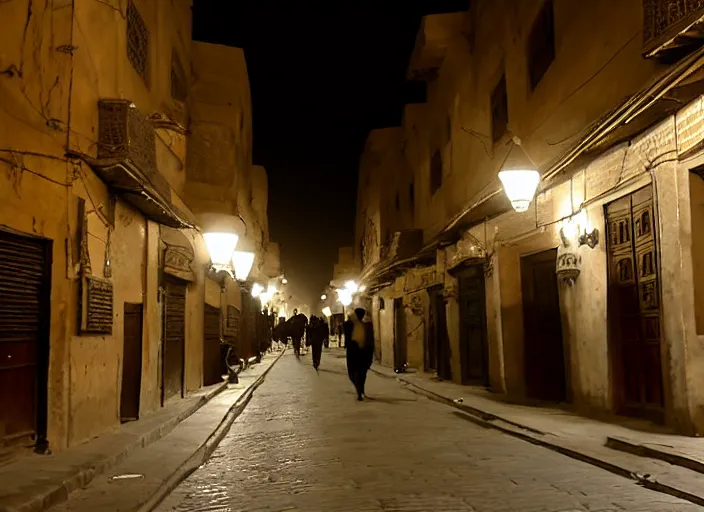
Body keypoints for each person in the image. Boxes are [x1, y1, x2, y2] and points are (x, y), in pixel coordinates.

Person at [344, 308, 375, 401]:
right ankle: (359, 388)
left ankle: (360, 390)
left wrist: (370, 353)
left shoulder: (367, 326)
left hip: (363, 352)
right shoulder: (349, 325)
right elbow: (346, 329)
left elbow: (370, 340)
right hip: (353, 350)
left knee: (361, 372)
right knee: (353, 372)